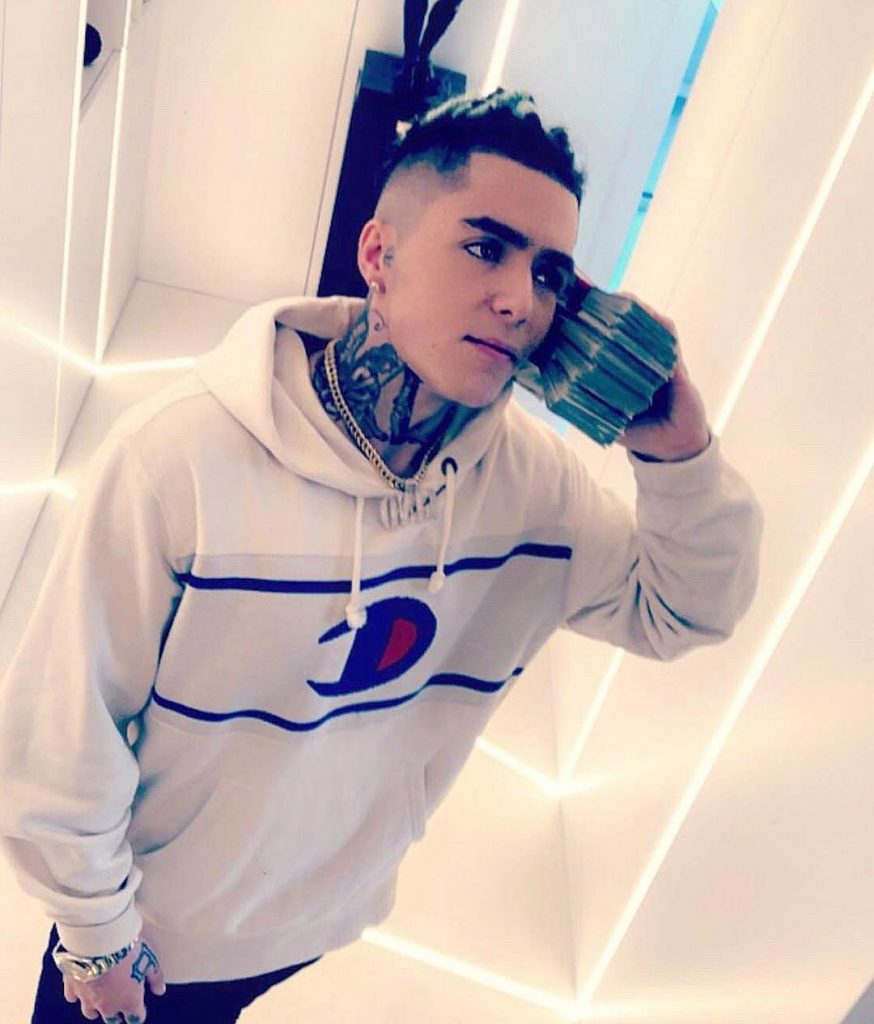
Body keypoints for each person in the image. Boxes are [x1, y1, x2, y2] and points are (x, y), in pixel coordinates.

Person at [0, 88, 763, 1023]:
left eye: (550, 274)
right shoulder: (177, 461)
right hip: (148, 945)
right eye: (484, 247)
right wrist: (96, 936)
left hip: (315, 924)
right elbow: (62, 730)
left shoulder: (537, 489)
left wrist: (676, 452)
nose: (519, 300)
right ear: (378, 256)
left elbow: (685, 610)